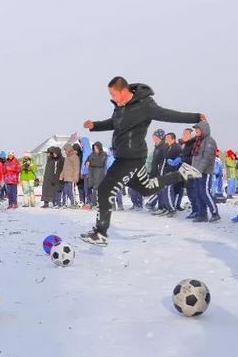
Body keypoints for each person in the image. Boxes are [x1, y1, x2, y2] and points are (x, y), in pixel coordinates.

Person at [80, 76, 203, 246]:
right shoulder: (119, 108)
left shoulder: (145, 105)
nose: (112, 98)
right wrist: (95, 125)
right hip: (123, 156)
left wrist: (195, 117)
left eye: (114, 94)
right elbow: (114, 123)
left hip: (132, 157)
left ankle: (101, 233)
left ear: (124, 91)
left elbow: (167, 114)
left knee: (105, 190)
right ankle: (181, 174)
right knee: (146, 189)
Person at [190, 121, 219, 222]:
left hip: (205, 172)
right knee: (198, 193)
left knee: (205, 192)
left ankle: (215, 213)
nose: (196, 130)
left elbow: (207, 158)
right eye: (195, 129)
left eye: (198, 128)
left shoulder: (209, 141)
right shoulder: (198, 141)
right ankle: (202, 214)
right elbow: (195, 158)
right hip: (197, 172)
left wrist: (199, 170)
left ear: (204, 129)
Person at [85, 142, 107, 209]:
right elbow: (87, 160)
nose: (95, 149)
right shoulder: (92, 154)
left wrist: (90, 163)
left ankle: (100, 203)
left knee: (98, 189)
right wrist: (87, 162)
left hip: (100, 174)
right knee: (93, 189)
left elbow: (100, 163)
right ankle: (94, 203)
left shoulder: (103, 154)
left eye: (96, 148)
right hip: (92, 174)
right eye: (94, 148)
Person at [60, 140, 81, 207]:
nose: (65, 152)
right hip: (66, 177)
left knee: (71, 191)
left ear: (69, 150)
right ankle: (64, 203)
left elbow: (76, 168)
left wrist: (75, 177)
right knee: (65, 191)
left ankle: (73, 203)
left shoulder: (75, 157)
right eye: (64, 150)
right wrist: (61, 175)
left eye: (66, 150)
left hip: (71, 178)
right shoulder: (67, 158)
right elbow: (64, 168)